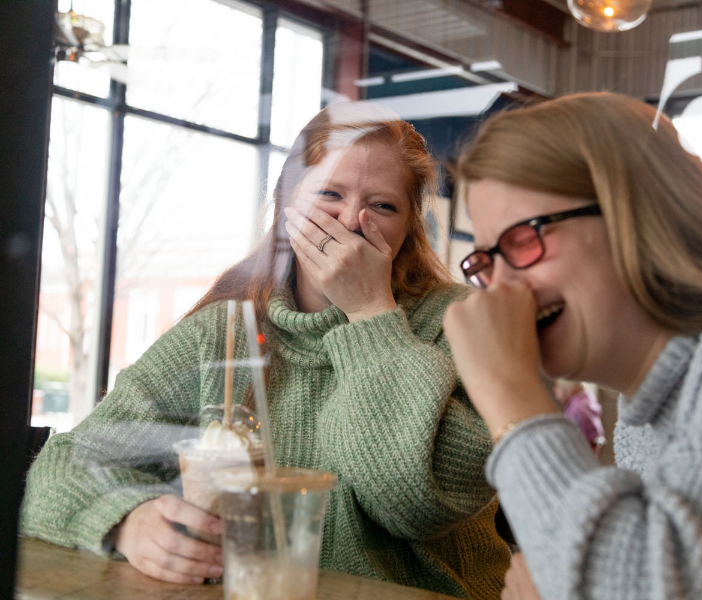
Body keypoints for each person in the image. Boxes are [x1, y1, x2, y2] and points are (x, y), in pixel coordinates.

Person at [21, 102, 509, 599]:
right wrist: (127, 522)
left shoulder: (461, 320)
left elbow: (412, 505)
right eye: (329, 195)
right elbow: (64, 465)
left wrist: (370, 313)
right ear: (285, 205)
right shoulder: (225, 331)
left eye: (382, 206)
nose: (351, 220)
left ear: (409, 226)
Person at [442, 92, 702, 600]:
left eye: (523, 240)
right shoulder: (647, 407)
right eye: (485, 261)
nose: (502, 289)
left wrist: (509, 394)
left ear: (631, 216)